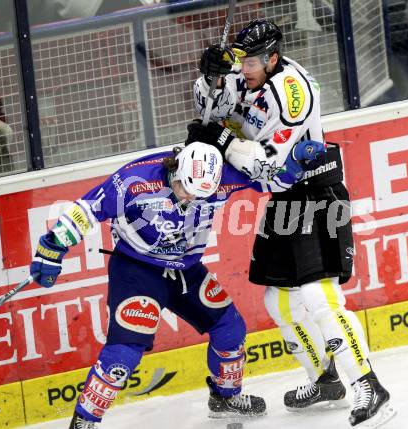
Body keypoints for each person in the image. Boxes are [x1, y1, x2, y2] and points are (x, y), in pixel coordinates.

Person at [186, 18, 396, 428]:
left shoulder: (292, 93)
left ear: (273, 58)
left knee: (320, 298)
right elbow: (212, 108)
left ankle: (371, 387)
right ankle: (325, 380)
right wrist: (208, 75)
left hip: (317, 195)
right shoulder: (242, 72)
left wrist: (223, 140)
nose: (242, 68)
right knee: (278, 301)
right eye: (239, 60)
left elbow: (267, 167)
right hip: (284, 201)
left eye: (250, 62)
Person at [29, 142, 266, 428]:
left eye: (200, 195)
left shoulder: (223, 179)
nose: (191, 199)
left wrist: (294, 161)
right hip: (137, 270)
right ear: (176, 170)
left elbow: (272, 172)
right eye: (187, 190)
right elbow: (88, 209)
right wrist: (54, 246)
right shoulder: (135, 180)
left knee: (231, 329)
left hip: (185, 270)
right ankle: (84, 421)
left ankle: (225, 398)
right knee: (124, 353)